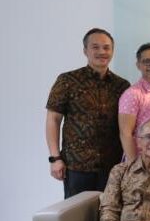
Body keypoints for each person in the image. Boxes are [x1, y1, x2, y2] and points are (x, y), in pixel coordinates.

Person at [46, 28, 130, 198]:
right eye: (95, 47)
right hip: (77, 166)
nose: (102, 52)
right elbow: (53, 120)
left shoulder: (122, 85)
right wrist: (55, 158)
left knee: (109, 217)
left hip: (112, 165)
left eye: (106, 48)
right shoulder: (67, 80)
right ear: (85, 50)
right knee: (77, 218)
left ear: (112, 51)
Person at [118, 42, 150, 160]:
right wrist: (134, 166)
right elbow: (125, 133)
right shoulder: (132, 94)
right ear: (138, 65)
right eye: (147, 61)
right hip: (140, 161)